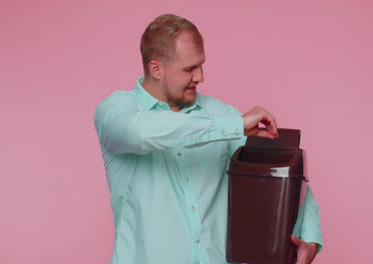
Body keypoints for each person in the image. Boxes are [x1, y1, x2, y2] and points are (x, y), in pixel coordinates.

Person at [94, 14, 323, 264]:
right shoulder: (115, 112)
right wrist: (234, 126)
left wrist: (309, 236)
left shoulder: (221, 115)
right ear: (156, 68)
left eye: (201, 65)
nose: (200, 76)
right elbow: (143, 132)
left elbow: (283, 171)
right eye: (189, 69)